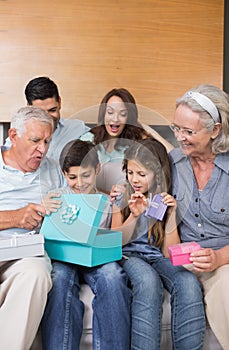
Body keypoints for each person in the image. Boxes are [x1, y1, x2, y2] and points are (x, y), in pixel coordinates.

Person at [111, 138, 206, 350]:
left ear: (158, 173)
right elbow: (115, 242)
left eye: (142, 175)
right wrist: (134, 216)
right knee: (147, 280)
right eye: (130, 172)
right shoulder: (121, 195)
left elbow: (169, 254)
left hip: (157, 257)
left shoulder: (163, 199)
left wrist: (171, 216)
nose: (134, 179)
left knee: (188, 281)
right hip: (129, 256)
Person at [41, 139, 131, 350]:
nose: (79, 183)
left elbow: (117, 239)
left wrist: (118, 206)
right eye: (72, 177)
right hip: (64, 258)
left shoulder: (107, 201)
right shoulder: (57, 198)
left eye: (86, 175)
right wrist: (44, 209)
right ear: (64, 174)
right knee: (59, 277)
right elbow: (47, 233)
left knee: (113, 276)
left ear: (97, 169)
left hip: (98, 260)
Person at [169, 84, 229, 350]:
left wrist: (219, 258)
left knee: (227, 283)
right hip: (180, 262)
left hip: (222, 261)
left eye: (189, 131)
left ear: (215, 130)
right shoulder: (172, 162)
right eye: (176, 128)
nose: (180, 137)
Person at [0, 106, 65, 350]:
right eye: (36, 140)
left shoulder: (53, 170)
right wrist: (15, 217)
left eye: (47, 141)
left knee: (37, 272)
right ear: (14, 135)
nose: (43, 149)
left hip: (25, 255)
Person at [81, 87, 173, 194]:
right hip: (94, 200)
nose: (115, 119)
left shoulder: (137, 142)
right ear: (103, 114)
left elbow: (174, 156)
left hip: (125, 204)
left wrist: (147, 129)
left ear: (129, 117)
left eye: (123, 114)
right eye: (110, 112)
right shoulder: (88, 139)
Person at [5, 76, 89, 161]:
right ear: (29, 107)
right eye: (41, 112)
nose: (47, 119)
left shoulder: (79, 130)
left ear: (59, 102)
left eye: (52, 110)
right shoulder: (19, 136)